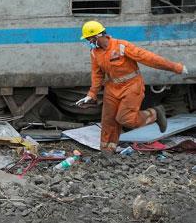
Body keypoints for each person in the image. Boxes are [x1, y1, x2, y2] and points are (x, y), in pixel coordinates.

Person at [75, 21, 187, 152]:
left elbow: (149, 58)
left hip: (131, 86)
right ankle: (107, 152)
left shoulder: (121, 46)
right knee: (108, 121)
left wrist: (176, 67)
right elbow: (97, 74)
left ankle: (155, 113)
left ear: (98, 36)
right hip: (112, 88)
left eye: (89, 38)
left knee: (125, 118)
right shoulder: (95, 53)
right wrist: (91, 94)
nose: (89, 41)